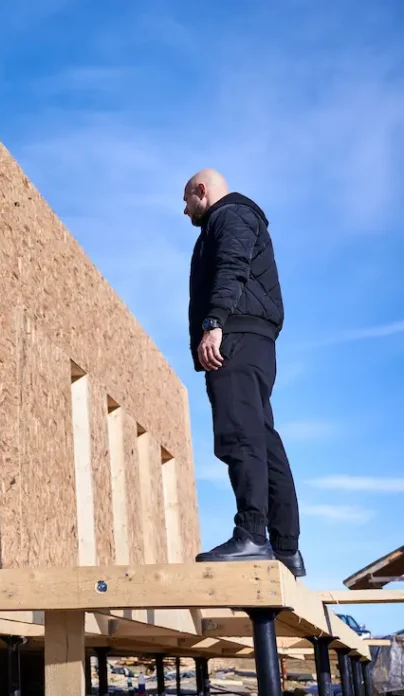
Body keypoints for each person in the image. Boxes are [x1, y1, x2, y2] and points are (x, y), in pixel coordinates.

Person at [182, 169, 305, 578]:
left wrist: (213, 322)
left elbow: (231, 266)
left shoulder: (229, 215)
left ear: (203, 191)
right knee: (263, 438)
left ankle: (252, 535)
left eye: (188, 201)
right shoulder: (240, 217)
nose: (186, 212)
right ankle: (286, 549)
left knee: (240, 434)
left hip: (234, 335)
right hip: (256, 341)